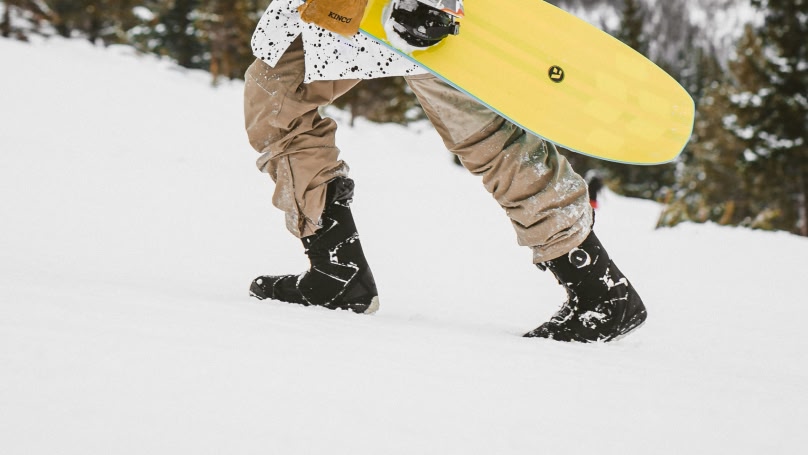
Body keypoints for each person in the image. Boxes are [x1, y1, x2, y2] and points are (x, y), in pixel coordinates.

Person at [242, 0, 647, 342]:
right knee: (276, 95)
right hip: (359, 9)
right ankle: (335, 270)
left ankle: (598, 290)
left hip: (411, 9)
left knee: (487, 137)